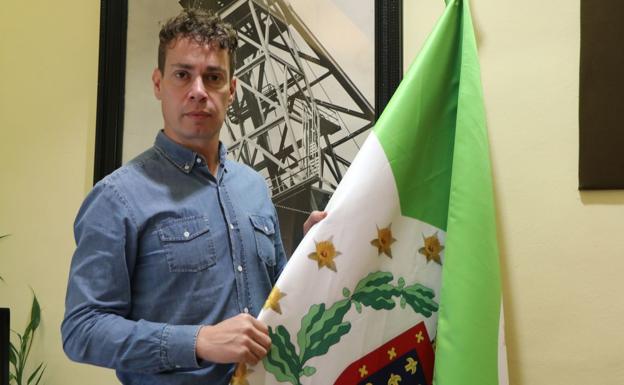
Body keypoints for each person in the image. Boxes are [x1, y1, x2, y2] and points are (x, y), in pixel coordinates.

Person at [61, 8, 325, 385]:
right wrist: (197, 341)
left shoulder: (254, 188)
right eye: (183, 75)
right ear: (158, 83)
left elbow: (276, 299)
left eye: (213, 77)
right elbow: (82, 330)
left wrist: (313, 251)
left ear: (231, 90)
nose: (198, 91)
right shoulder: (117, 198)